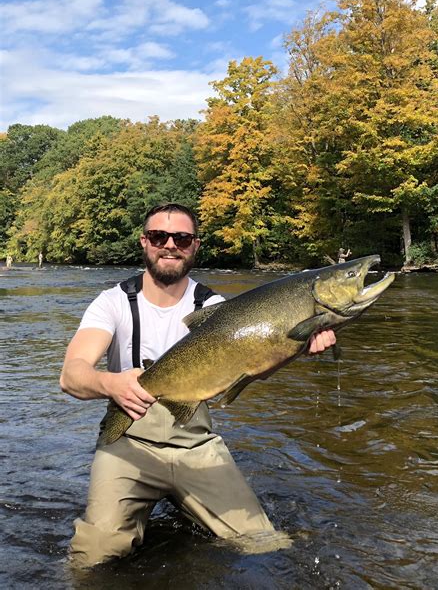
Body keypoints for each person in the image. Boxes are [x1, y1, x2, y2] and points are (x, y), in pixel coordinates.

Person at [60, 202, 337, 567]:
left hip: (197, 445)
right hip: (129, 445)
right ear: (145, 242)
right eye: (160, 236)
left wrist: (299, 345)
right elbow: (72, 374)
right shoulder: (112, 302)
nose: (170, 244)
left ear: (195, 246)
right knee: (93, 557)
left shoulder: (218, 308)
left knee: (265, 546)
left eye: (182, 237)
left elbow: (255, 369)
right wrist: (109, 384)